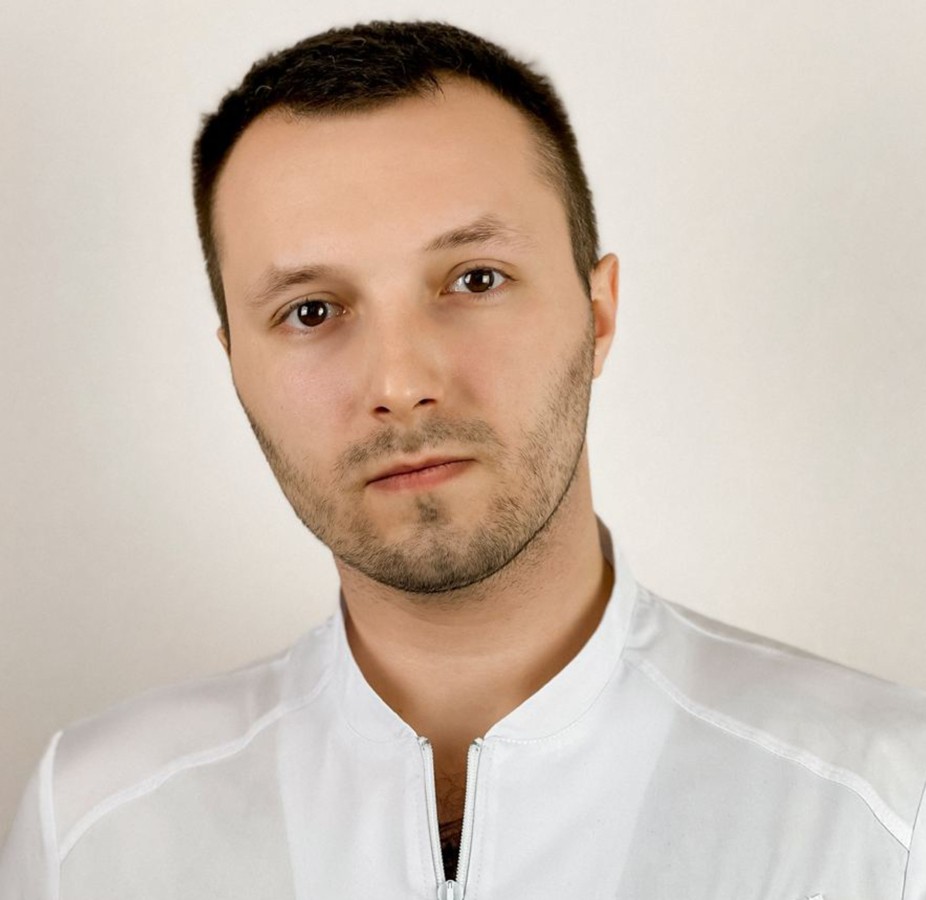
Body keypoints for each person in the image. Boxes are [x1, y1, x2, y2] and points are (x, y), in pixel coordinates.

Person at [2, 19, 926, 900]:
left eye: (475, 280)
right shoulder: (96, 827)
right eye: (311, 311)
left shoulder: (886, 808)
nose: (401, 383)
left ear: (598, 314)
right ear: (236, 364)